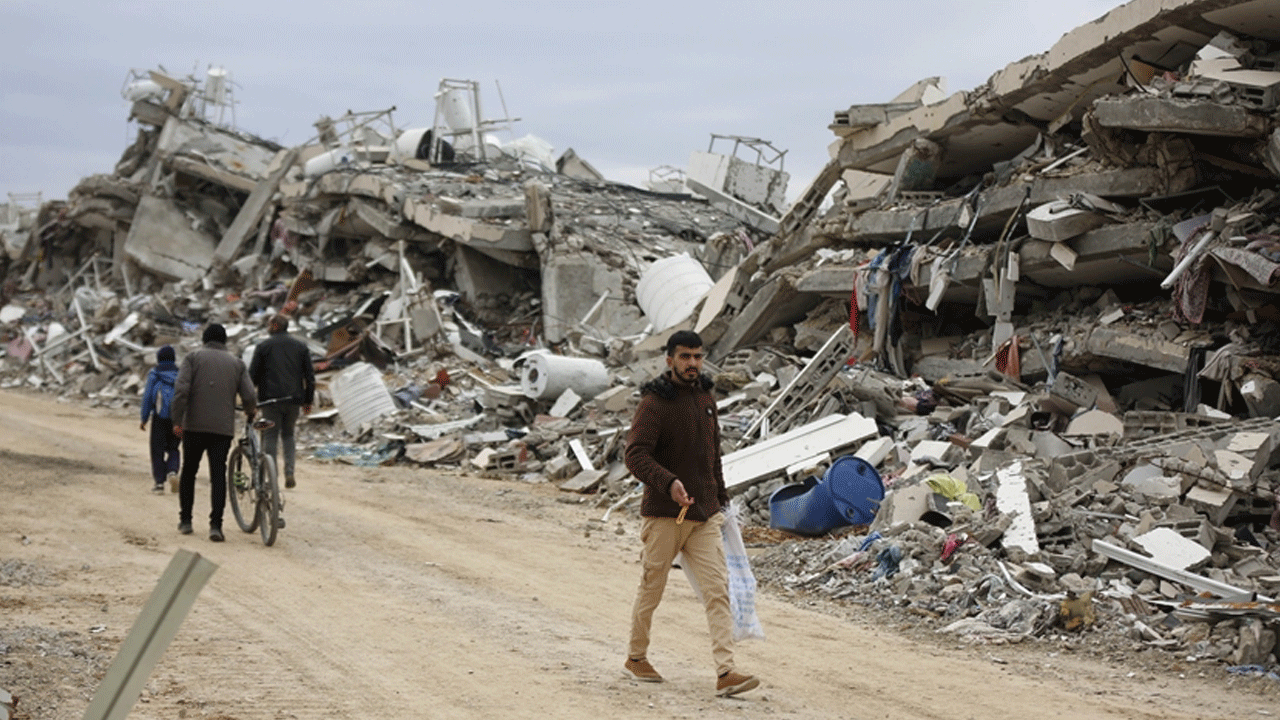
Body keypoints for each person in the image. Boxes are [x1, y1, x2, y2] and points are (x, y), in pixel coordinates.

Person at [622, 329, 759, 698]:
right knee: (652, 588)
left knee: (718, 591)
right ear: (670, 360)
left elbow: (712, 456)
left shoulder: (705, 398)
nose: (692, 363)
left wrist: (722, 501)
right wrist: (669, 483)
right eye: (685, 356)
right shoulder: (654, 403)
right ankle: (636, 657)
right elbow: (635, 455)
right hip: (665, 516)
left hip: (705, 516)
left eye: (698, 356)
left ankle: (726, 671)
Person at [171, 323, 256, 542]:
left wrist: (177, 420)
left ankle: (186, 521)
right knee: (218, 475)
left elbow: (181, 391)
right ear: (224, 341)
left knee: (189, 471)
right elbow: (249, 395)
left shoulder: (192, 358)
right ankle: (216, 526)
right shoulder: (237, 364)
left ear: (204, 339)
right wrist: (250, 411)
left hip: (194, 426)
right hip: (222, 429)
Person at [248, 314, 315, 489]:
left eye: (269, 324)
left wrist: (250, 400)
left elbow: (252, 376)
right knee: (288, 435)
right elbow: (310, 377)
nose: (267, 327)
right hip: (293, 400)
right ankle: (290, 472)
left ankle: (272, 476)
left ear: (275, 326)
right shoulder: (300, 346)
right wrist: (308, 401)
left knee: (270, 435)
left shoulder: (263, 346)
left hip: (270, 401)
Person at [139, 345, 180, 494]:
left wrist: (144, 418)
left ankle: (159, 484)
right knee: (174, 448)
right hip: (177, 419)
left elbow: (148, 397)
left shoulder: (155, 374)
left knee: (157, 450)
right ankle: (173, 471)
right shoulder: (181, 374)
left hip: (159, 418)